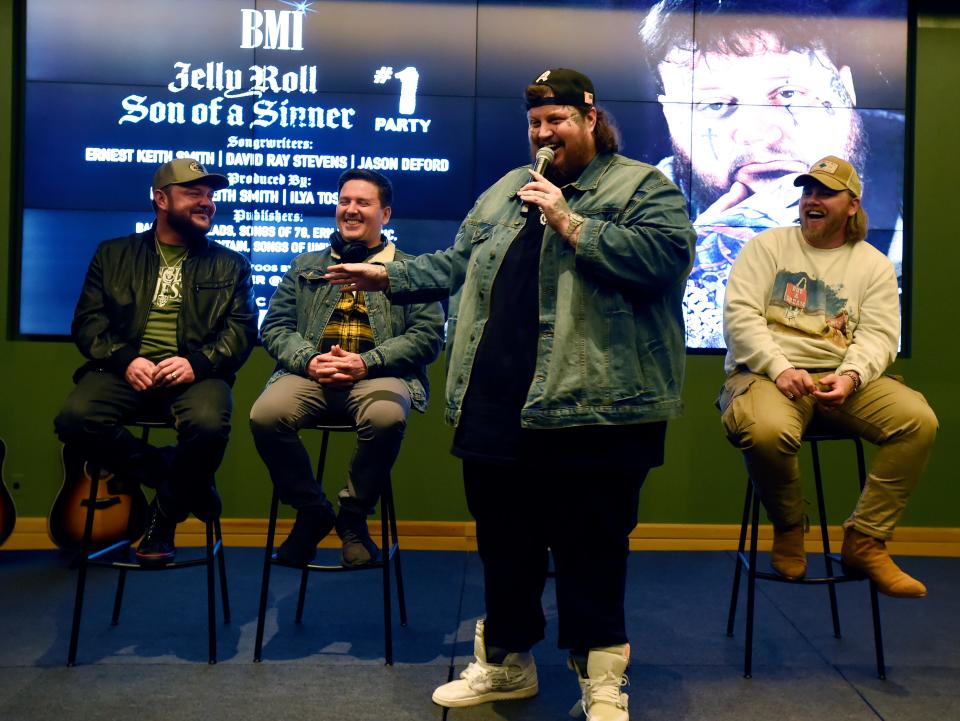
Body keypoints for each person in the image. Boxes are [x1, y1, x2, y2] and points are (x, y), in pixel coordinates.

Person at [325, 69, 695, 720]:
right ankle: (506, 662)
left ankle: (602, 682)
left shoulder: (642, 185)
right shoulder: (504, 191)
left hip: (597, 409)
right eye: (535, 123)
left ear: (590, 118)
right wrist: (384, 277)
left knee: (593, 547)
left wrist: (569, 219)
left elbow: (665, 261)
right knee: (505, 543)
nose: (544, 134)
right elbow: (456, 264)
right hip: (495, 402)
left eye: (557, 120)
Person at [720, 155, 936, 598]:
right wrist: (780, 369)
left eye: (825, 193)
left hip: (839, 379)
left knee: (918, 422)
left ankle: (866, 540)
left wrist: (852, 376)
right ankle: (789, 526)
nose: (811, 200)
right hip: (765, 375)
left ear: (852, 205)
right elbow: (740, 320)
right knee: (765, 430)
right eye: (807, 192)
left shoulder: (872, 263)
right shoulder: (767, 247)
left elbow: (878, 336)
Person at [639, 0, 905, 347]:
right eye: (715, 104)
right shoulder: (643, 215)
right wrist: (695, 277)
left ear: (846, 90)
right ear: (671, 117)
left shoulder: (929, 180)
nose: (759, 133)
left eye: (789, 93)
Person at [54, 158, 258, 565]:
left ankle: (162, 520)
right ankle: (176, 475)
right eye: (193, 194)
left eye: (210, 195)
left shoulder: (231, 263)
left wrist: (197, 363)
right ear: (161, 199)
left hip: (197, 375)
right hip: (123, 372)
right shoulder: (112, 255)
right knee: (75, 419)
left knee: (207, 425)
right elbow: (89, 322)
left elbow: (241, 332)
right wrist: (126, 359)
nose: (207, 203)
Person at [249, 169, 444, 568]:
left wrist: (366, 362)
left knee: (387, 417)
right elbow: (275, 326)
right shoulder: (306, 265)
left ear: (385, 214)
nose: (350, 210)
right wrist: (309, 359)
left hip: (379, 376)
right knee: (265, 415)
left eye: (363, 203)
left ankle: (353, 519)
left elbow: (428, 336)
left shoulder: (412, 270)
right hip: (310, 374)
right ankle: (312, 512)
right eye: (344, 201)